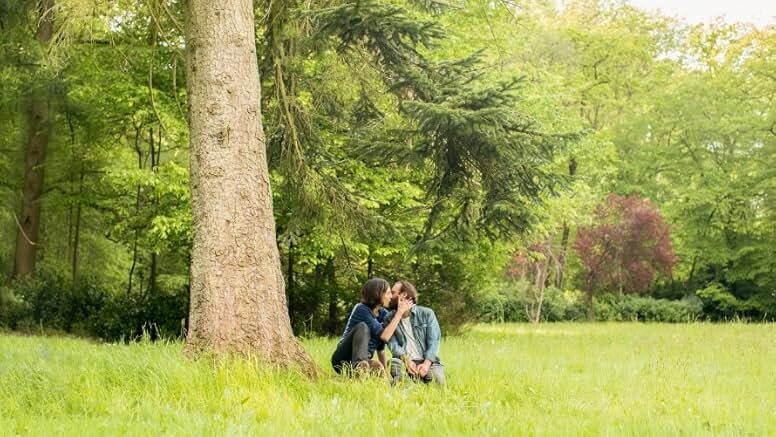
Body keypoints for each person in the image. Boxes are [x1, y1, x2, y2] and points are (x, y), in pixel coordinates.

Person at [331, 277, 413, 376]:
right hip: (343, 359)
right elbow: (385, 335)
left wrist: (386, 374)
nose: (390, 296)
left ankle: (362, 370)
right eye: (387, 293)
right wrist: (399, 313)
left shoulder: (383, 314)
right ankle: (359, 366)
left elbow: (381, 349)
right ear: (378, 294)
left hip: (365, 360)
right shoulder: (361, 309)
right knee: (362, 327)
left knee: (377, 366)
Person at [385, 281, 445, 386]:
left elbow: (434, 341)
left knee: (439, 382)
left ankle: (418, 380)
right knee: (394, 364)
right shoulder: (389, 318)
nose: (390, 296)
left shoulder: (427, 314)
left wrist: (426, 364)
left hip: (428, 361)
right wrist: (407, 362)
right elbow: (393, 345)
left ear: (404, 295)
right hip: (403, 361)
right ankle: (410, 383)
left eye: (393, 292)